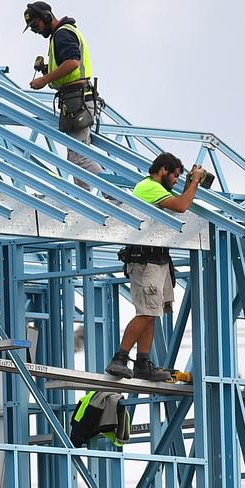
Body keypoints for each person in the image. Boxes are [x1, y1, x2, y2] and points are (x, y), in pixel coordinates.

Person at [105, 153, 206, 381]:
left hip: (157, 260)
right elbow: (181, 205)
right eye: (175, 176)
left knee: (151, 314)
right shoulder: (148, 187)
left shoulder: (159, 191)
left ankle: (143, 362)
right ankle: (119, 358)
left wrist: (191, 185)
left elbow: (180, 201)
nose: (177, 181)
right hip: (145, 261)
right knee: (146, 312)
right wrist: (195, 183)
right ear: (163, 170)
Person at [23, 1, 104, 185]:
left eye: (36, 25)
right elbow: (67, 70)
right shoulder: (61, 34)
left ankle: (114, 196)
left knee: (79, 158)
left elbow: (73, 63)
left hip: (78, 99)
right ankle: (86, 203)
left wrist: (44, 80)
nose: (36, 30)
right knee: (75, 157)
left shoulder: (62, 34)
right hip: (75, 99)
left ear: (46, 17)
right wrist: (46, 70)